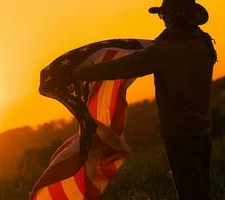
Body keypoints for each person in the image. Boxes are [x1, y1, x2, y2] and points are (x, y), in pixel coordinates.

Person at [72, 0, 217, 199]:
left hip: (179, 135)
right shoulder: (203, 43)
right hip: (203, 130)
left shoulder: (166, 50)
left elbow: (125, 66)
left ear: (174, 17)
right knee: (201, 192)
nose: (163, 19)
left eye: (164, 14)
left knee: (190, 194)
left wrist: (81, 73)